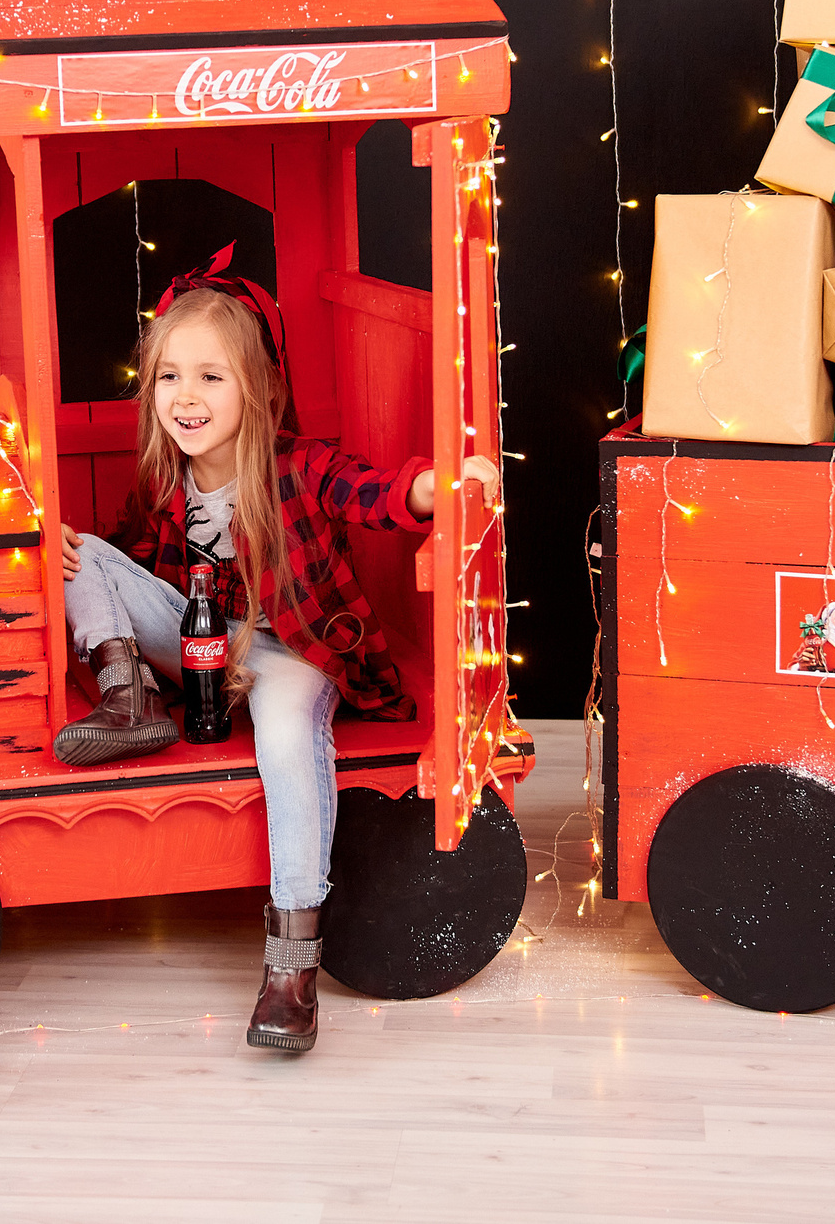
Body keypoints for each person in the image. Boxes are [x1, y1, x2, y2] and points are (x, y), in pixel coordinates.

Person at [52, 254, 499, 1053]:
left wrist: (438, 488)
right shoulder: (165, 481)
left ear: (255, 387)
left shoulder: (300, 464)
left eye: (211, 378)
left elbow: (376, 492)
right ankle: (129, 700)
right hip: (199, 647)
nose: (186, 398)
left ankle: (292, 969)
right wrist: (68, 556)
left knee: (287, 739)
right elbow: (124, 563)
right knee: (81, 550)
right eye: (169, 378)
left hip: (288, 646)